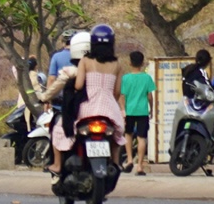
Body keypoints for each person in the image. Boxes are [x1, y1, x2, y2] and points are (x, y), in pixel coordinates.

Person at [44, 24, 126, 171]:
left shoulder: (86, 61)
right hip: (109, 109)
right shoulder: (117, 64)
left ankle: (57, 165)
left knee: (58, 129)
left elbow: (79, 86)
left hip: (88, 108)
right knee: (116, 135)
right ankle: (115, 162)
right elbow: (117, 92)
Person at [121, 51, 157, 175]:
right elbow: (150, 96)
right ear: (142, 63)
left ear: (130, 62)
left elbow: (122, 96)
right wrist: (151, 109)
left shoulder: (125, 78)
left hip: (129, 111)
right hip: (142, 111)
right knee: (142, 138)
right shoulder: (147, 78)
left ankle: (130, 160)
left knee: (128, 134)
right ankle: (140, 166)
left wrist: (123, 110)